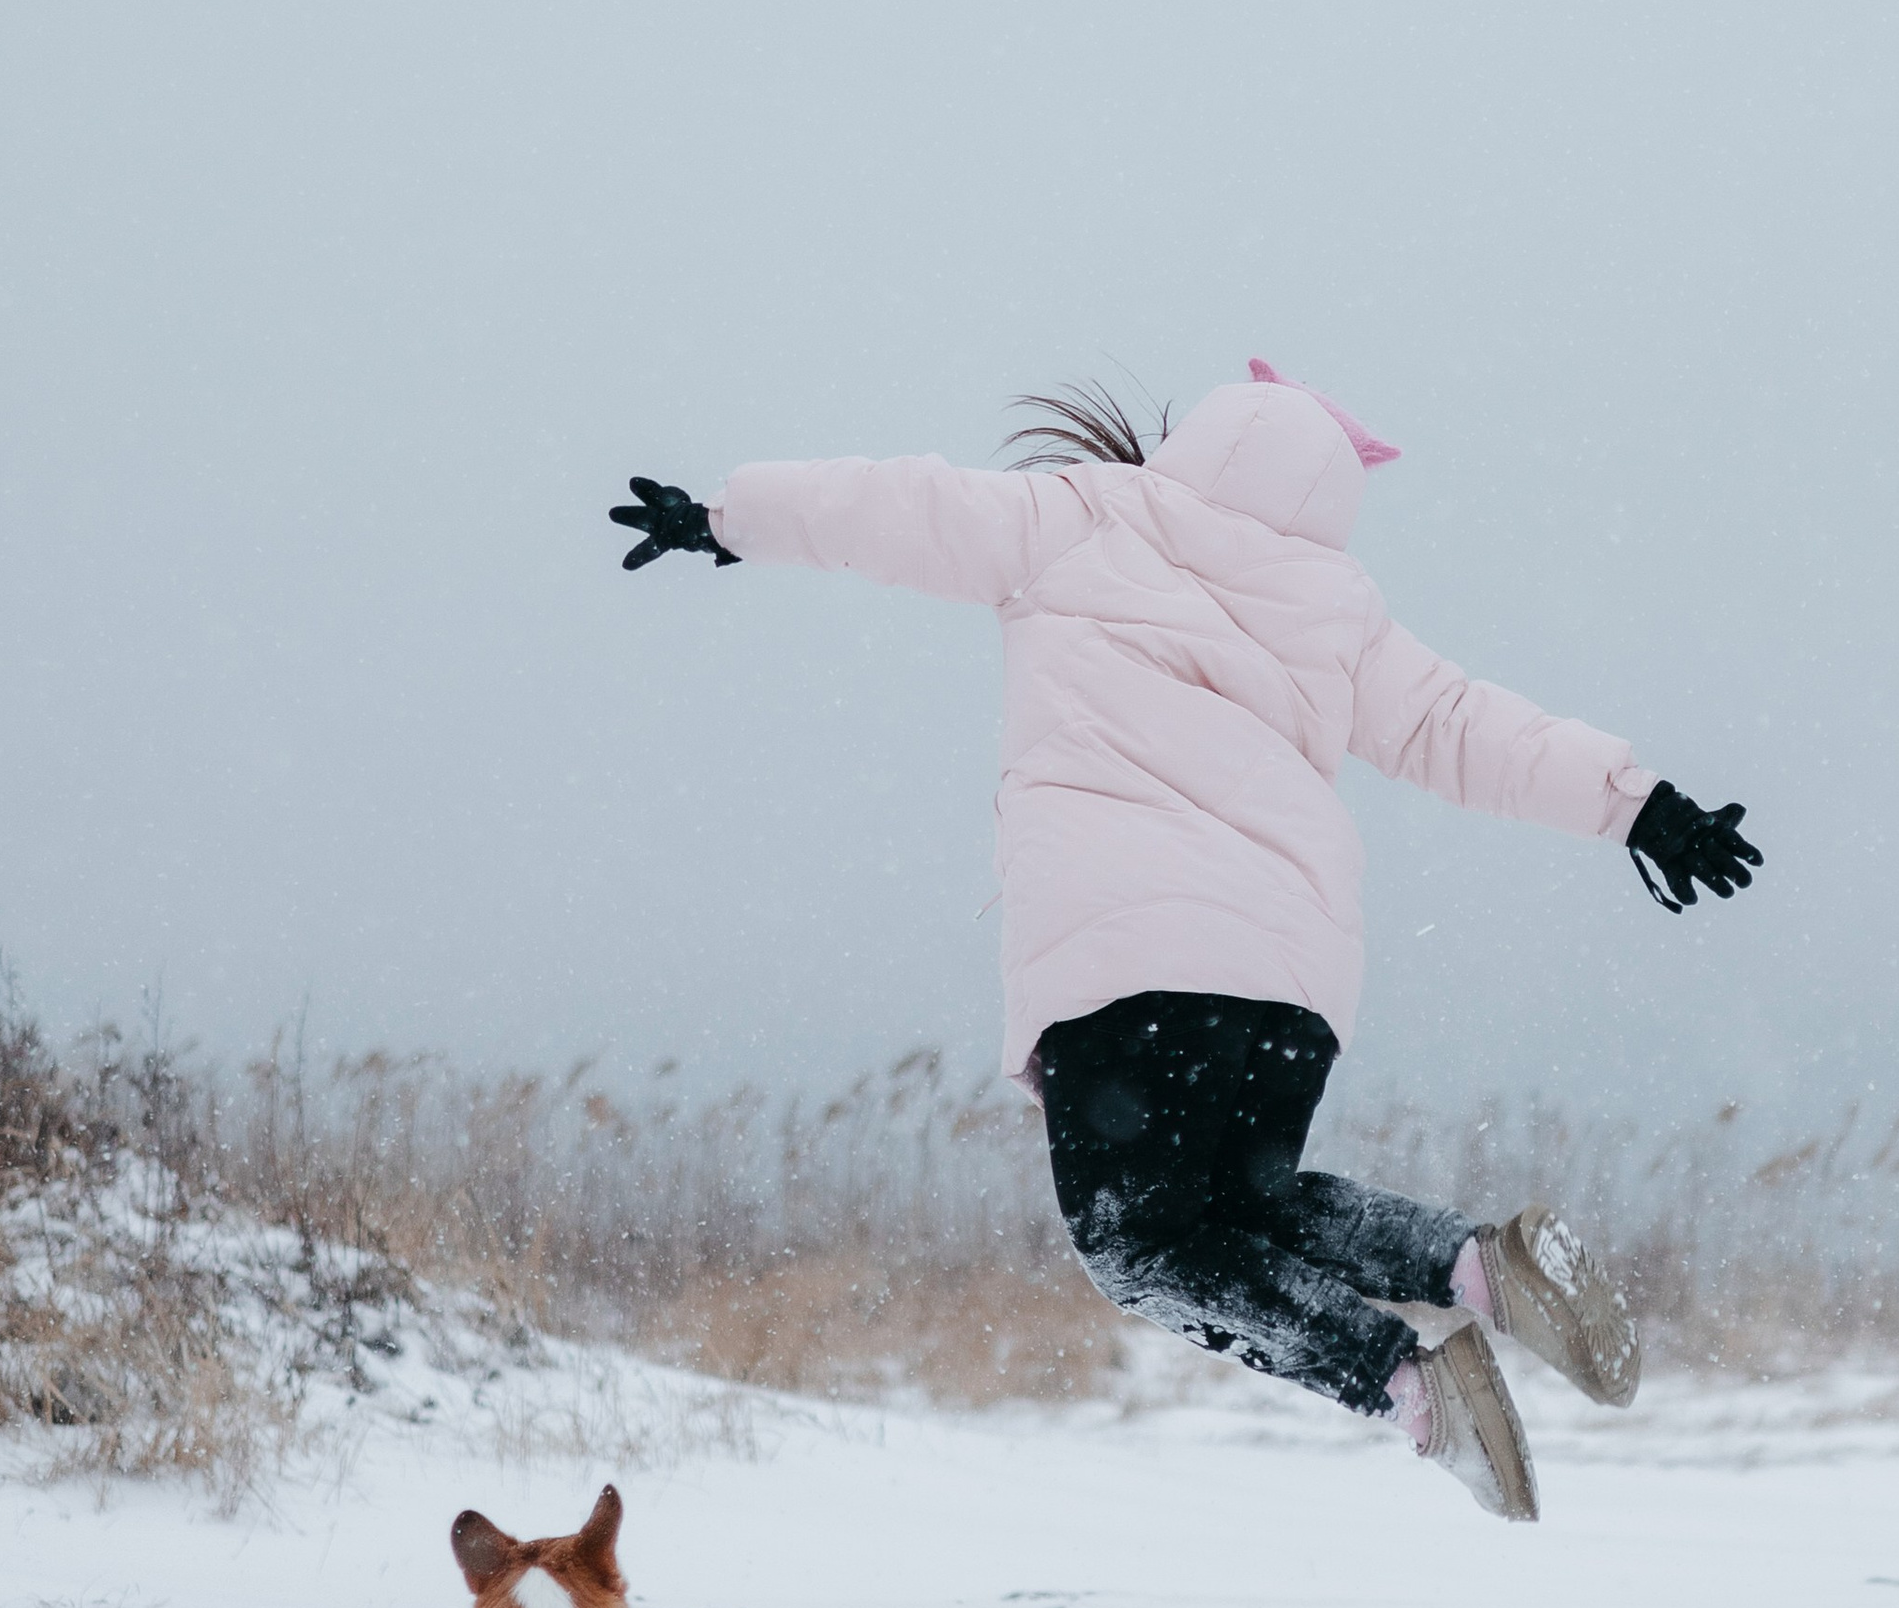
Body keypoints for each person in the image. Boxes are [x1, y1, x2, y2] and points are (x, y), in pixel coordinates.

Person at [611, 364, 1761, 1520]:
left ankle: (1408, 1383)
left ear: (1192, 444)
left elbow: (901, 508)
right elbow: (1460, 725)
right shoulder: (1333, 605)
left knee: (1138, 1246)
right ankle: (1479, 1268)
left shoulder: (1080, 517)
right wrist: (1639, 807)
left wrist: (727, 517)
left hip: (1122, 957)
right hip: (1289, 980)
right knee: (1243, 1208)